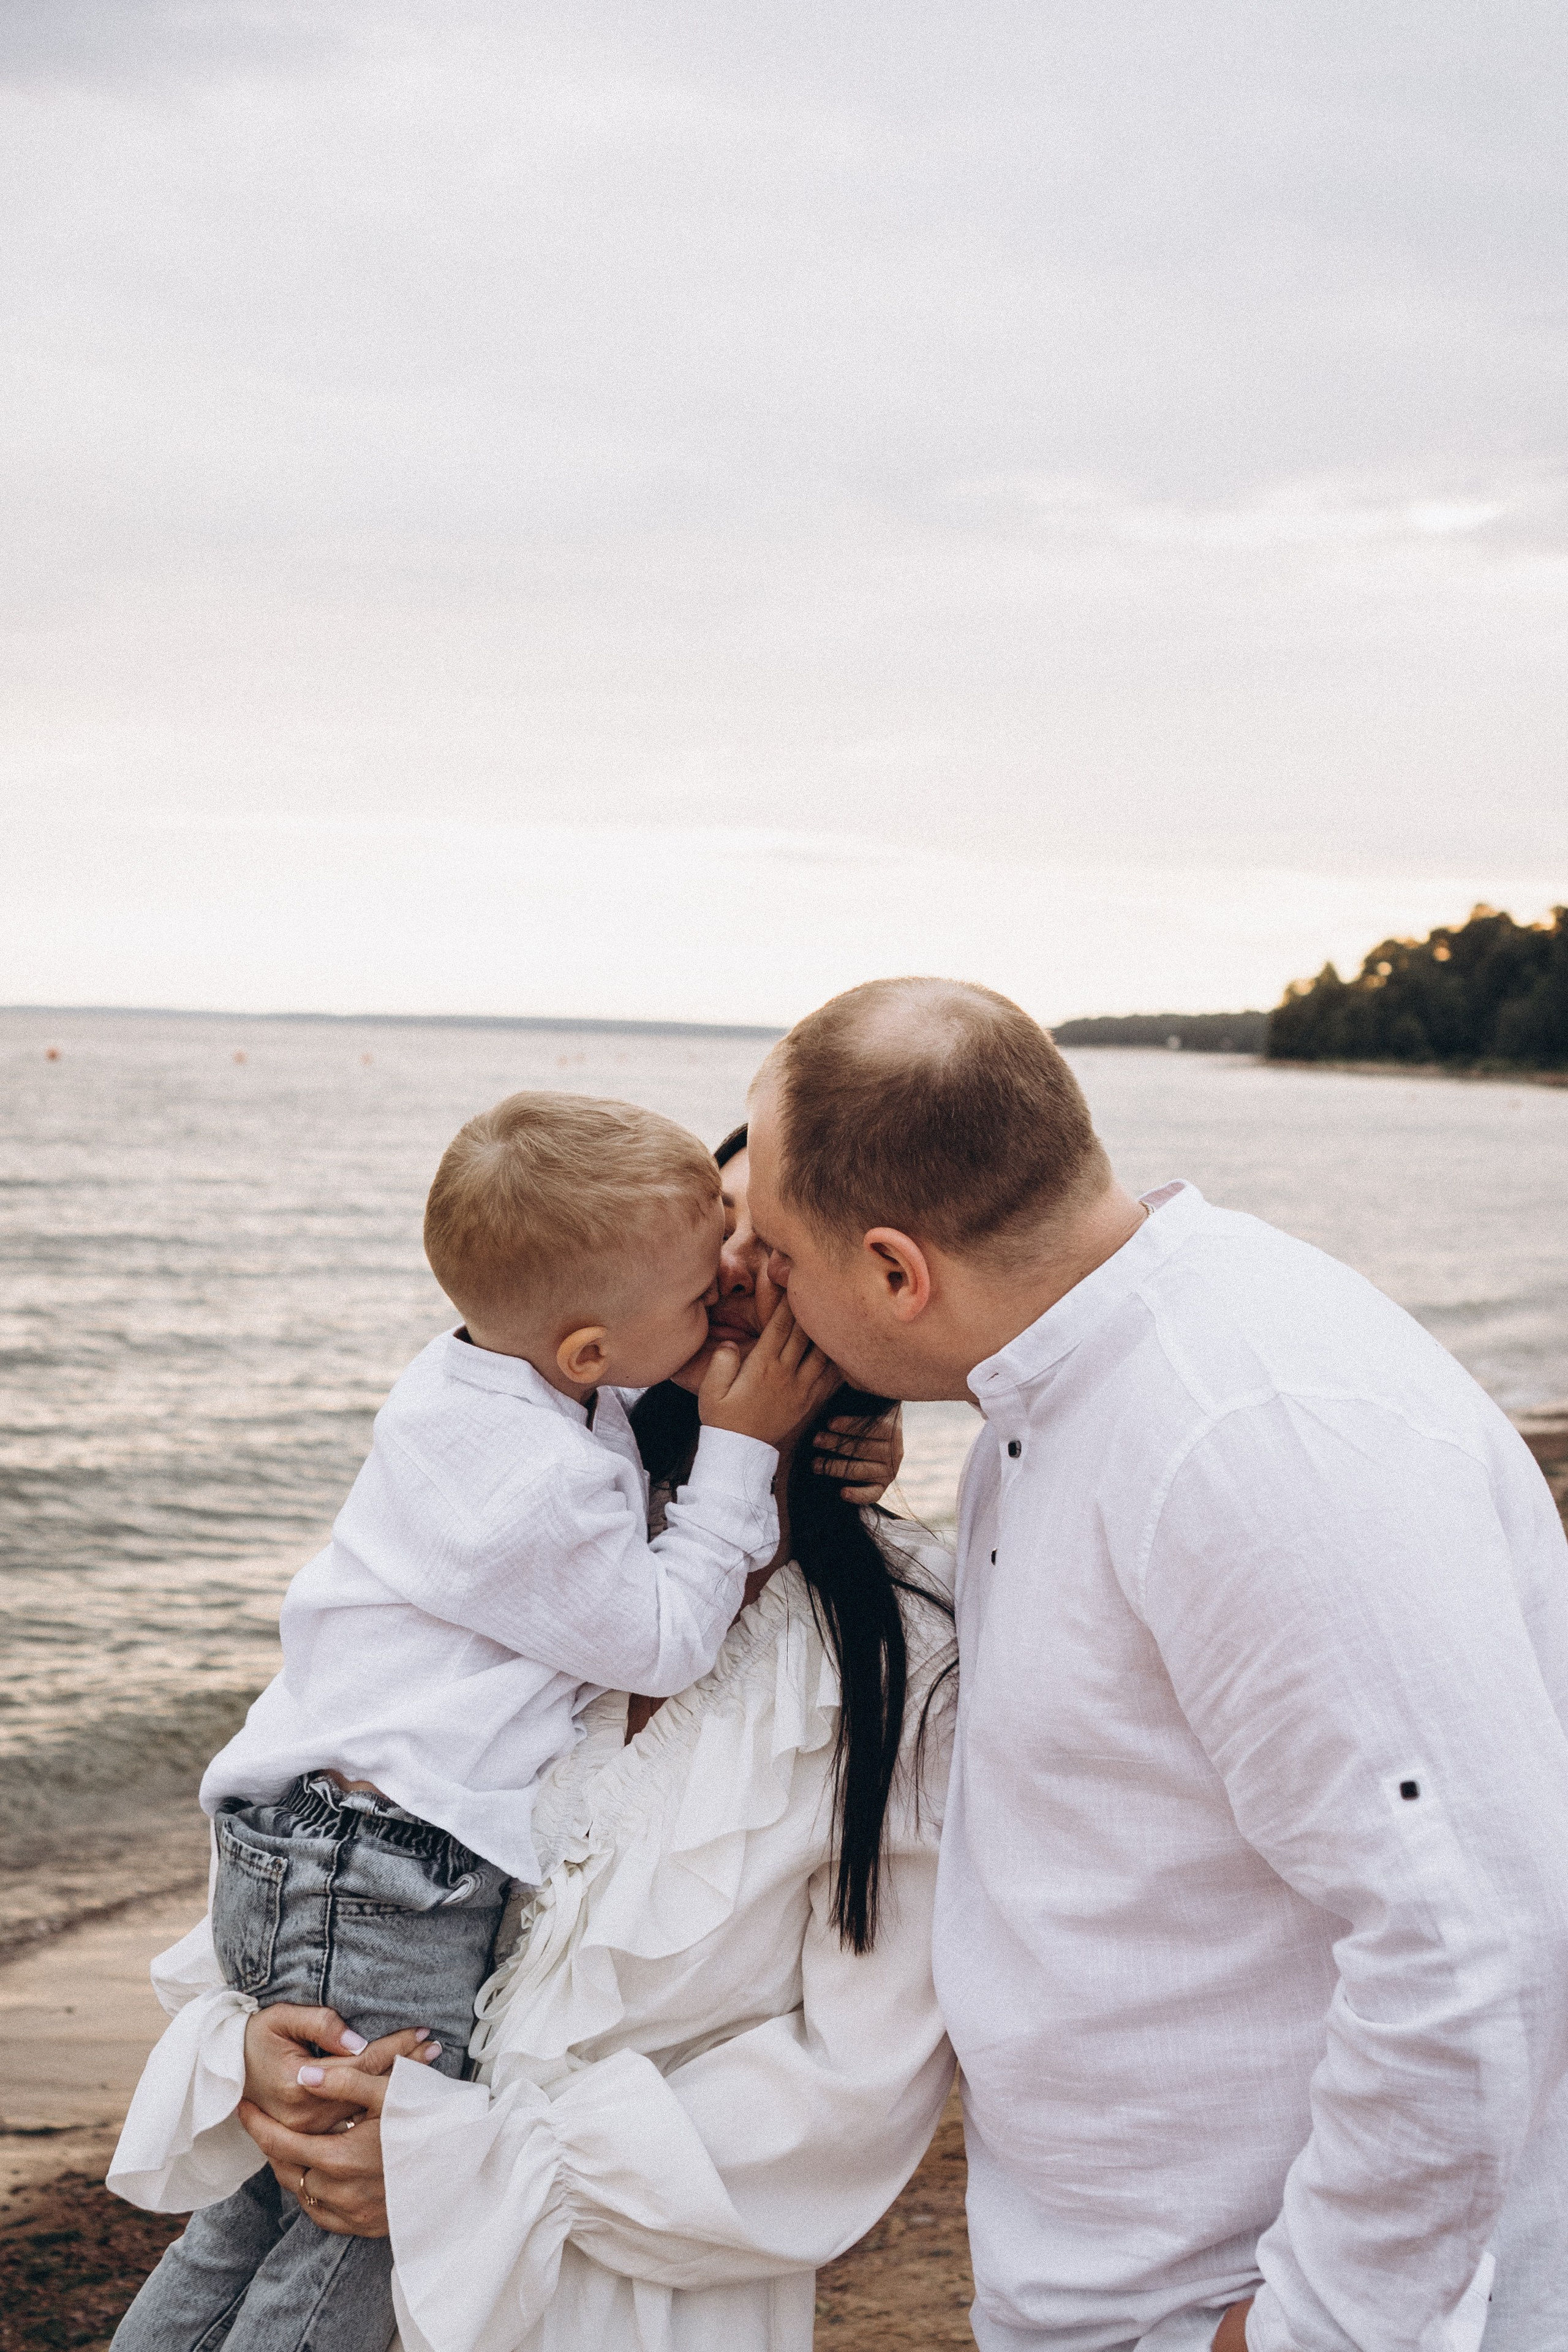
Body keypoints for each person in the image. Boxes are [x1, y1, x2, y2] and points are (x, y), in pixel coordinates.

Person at [742, 976, 1568, 2352]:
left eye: (776, 1248)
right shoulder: (1057, 1378)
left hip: (1244, 2302)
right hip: (1122, 2279)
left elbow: (1472, 1938)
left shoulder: (1246, 1436)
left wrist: (1315, 2325)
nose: (761, 1282)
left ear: (895, 1272)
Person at [107, 1126, 957, 2352]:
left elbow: (854, 2092)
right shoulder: (547, 1520)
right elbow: (329, 1818)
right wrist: (245, 2045)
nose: (727, 1266)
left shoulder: (906, 1654)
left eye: (770, 1248)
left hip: (618, 2305)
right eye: (713, 1228)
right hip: (349, 2205)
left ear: (878, 1289)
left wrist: (483, 2170)